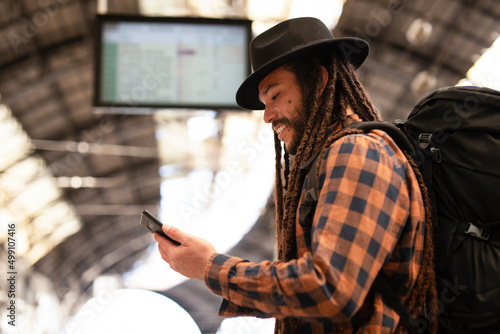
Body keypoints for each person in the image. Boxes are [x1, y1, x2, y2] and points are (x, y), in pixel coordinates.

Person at [154, 17, 437, 333]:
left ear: (318, 82)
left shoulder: (356, 151)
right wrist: (210, 270)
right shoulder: (332, 159)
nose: (267, 116)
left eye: (274, 95)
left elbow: (330, 290)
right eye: (264, 103)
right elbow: (309, 297)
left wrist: (211, 267)